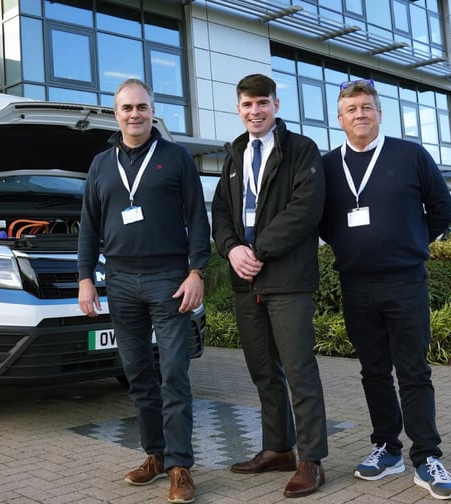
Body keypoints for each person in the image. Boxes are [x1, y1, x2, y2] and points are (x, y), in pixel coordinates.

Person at [319, 79, 451, 500]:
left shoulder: (410, 155)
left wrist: (411, 242)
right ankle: (387, 447)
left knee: (414, 371)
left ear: (379, 113)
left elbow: (442, 210)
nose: (359, 114)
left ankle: (427, 458)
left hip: (405, 281)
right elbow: (322, 221)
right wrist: (348, 244)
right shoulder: (327, 166)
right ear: (339, 119)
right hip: (356, 284)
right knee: (373, 371)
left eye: (366, 107)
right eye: (351, 109)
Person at [77, 78, 211, 504]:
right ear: (115, 114)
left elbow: (198, 217)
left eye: (142, 107)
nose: (134, 114)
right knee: (137, 374)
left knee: (173, 373)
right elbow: (89, 226)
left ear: (154, 111)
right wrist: (85, 278)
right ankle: (154, 455)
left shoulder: (177, 158)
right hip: (119, 281)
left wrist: (196, 271)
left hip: (169, 280)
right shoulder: (100, 164)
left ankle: (180, 467)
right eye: (126, 108)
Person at [210, 73, 328, 498]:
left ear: (276, 105)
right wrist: (230, 249)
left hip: (287, 278)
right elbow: (221, 211)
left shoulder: (301, 150)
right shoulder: (235, 152)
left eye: (262, 103)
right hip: (246, 278)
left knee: (299, 371)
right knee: (263, 371)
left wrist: (257, 248)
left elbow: (306, 209)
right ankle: (278, 448)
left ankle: (311, 460)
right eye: (246, 105)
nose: (254, 111)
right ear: (238, 109)